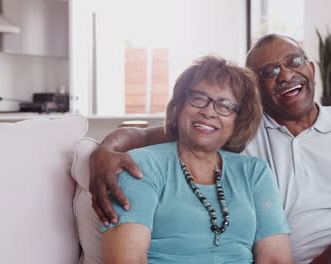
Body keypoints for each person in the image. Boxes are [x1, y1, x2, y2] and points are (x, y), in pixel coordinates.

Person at [91, 34, 331, 264]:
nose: (284, 74)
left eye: (294, 61)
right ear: (257, 93)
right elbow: (167, 134)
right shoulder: (244, 139)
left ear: (311, 70)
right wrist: (105, 151)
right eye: (269, 72)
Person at [101, 56, 293, 264]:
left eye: (225, 105)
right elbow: (126, 259)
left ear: (238, 122)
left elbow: (275, 259)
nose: (209, 111)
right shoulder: (140, 165)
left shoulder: (255, 172)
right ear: (178, 107)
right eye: (199, 98)